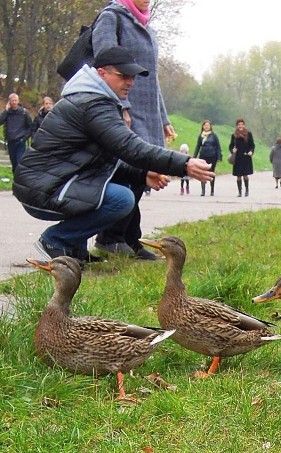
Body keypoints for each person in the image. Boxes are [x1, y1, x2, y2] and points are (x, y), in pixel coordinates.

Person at [12, 46, 212, 263]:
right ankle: (56, 240)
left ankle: (74, 249)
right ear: (101, 73)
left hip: (53, 182)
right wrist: (184, 163)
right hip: (45, 188)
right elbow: (131, 148)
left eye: (133, 77)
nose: (130, 82)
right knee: (121, 198)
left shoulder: (94, 100)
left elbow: (103, 160)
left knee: (123, 185)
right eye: (123, 75)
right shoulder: (92, 104)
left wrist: (141, 174)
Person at [91, 0, 176, 260]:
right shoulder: (112, 17)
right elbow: (105, 65)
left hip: (148, 111)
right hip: (125, 106)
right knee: (129, 171)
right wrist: (122, 105)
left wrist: (163, 117)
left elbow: (153, 79)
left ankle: (129, 236)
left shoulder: (147, 26)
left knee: (142, 173)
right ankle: (112, 237)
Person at [0, 93, 32, 172]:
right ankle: (16, 180)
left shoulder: (24, 112)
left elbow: (30, 126)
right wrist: (6, 110)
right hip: (11, 141)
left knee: (19, 163)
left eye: (15, 100)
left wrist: (24, 138)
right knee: (14, 163)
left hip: (20, 141)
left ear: (18, 101)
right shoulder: (7, 113)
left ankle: (20, 180)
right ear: (9, 102)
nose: (14, 102)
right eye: (12, 100)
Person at [193, 120, 221, 196]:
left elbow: (218, 147)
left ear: (210, 126)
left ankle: (212, 190)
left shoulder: (214, 136)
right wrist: (194, 157)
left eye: (208, 125)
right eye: (205, 125)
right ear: (203, 126)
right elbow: (198, 146)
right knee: (202, 173)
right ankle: (203, 191)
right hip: (203, 156)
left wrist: (219, 157)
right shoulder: (201, 136)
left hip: (212, 156)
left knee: (211, 173)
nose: (206, 127)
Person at [229, 118, 254, 197]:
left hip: (246, 157)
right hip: (238, 157)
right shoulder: (234, 135)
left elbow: (252, 145)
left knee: (245, 175)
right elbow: (231, 145)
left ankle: (247, 190)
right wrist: (232, 150)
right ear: (237, 126)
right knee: (238, 176)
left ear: (244, 125)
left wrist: (251, 151)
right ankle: (239, 192)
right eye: (239, 124)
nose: (240, 126)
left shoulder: (248, 134)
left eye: (242, 124)